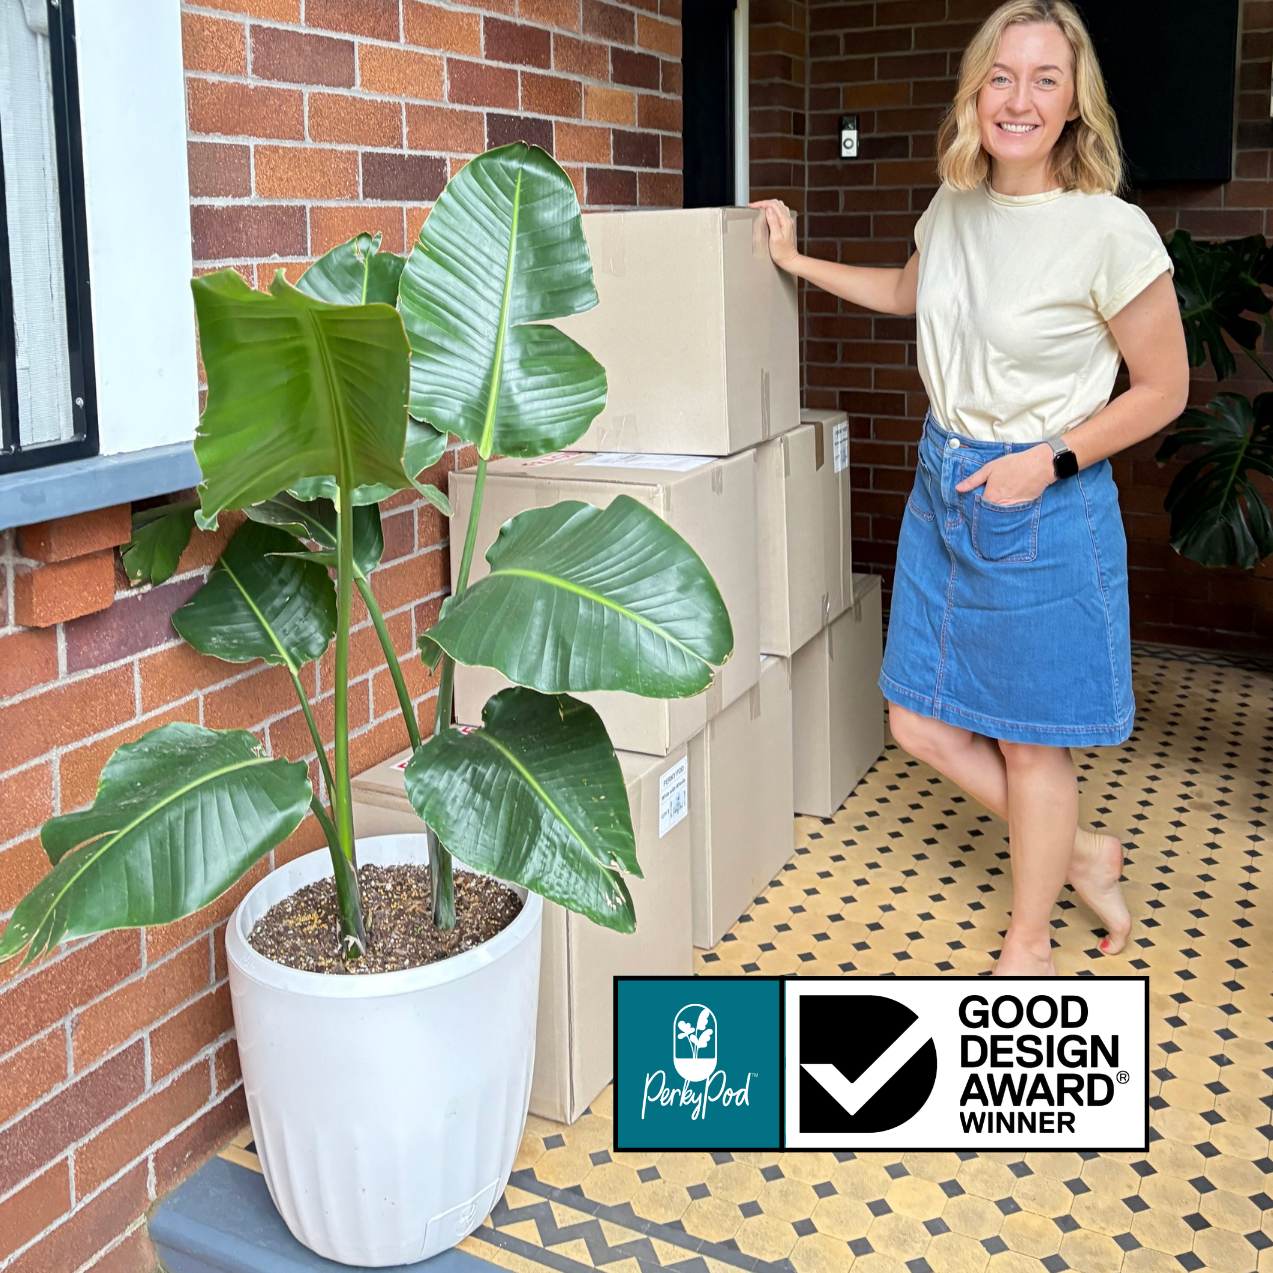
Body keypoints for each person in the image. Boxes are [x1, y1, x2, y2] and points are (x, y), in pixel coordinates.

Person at [751, 0, 1189, 976]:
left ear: (1076, 103)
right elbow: (913, 292)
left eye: (1043, 78)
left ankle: (1026, 945)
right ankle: (1074, 848)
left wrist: (1051, 459)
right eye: (1001, 75)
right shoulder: (951, 205)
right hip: (943, 488)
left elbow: (1165, 388)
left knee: (1034, 747)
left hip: (1042, 499)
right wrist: (791, 260)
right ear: (974, 92)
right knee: (914, 719)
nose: (1019, 98)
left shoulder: (1107, 231)